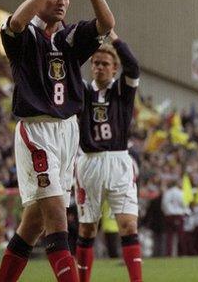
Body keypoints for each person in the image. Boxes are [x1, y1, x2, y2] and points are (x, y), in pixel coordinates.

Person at [0, 0, 115, 282]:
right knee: (59, 223)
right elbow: (16, 21)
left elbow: (107, 22)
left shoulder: (70, 37)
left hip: (67, 133)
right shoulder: (22, 35)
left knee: (31, 225)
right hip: (36, 132)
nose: (62, 1)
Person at [74, 30, 141, 282]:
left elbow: (133, 66)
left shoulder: (122, 90)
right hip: (89, 162)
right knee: (88, 228)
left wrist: (113, 37)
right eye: (95, 63)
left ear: (114, 69)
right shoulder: (82, 91)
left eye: (105, 64)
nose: (99, 67)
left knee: (128, 226)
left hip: (118, 160)